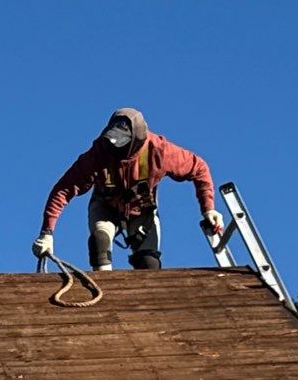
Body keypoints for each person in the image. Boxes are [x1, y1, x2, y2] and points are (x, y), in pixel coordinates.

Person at [31, 108, 222, 271]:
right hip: (105, 207)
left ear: (135, 139)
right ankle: (103, 296)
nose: (114, 146)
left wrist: (208, 208)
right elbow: (62, 190)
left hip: (142, 211)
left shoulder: (160, 151)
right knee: (100, 242)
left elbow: (199, 168)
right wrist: (47, 233)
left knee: (149, 263)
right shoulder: (98, 153)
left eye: (120, 142)